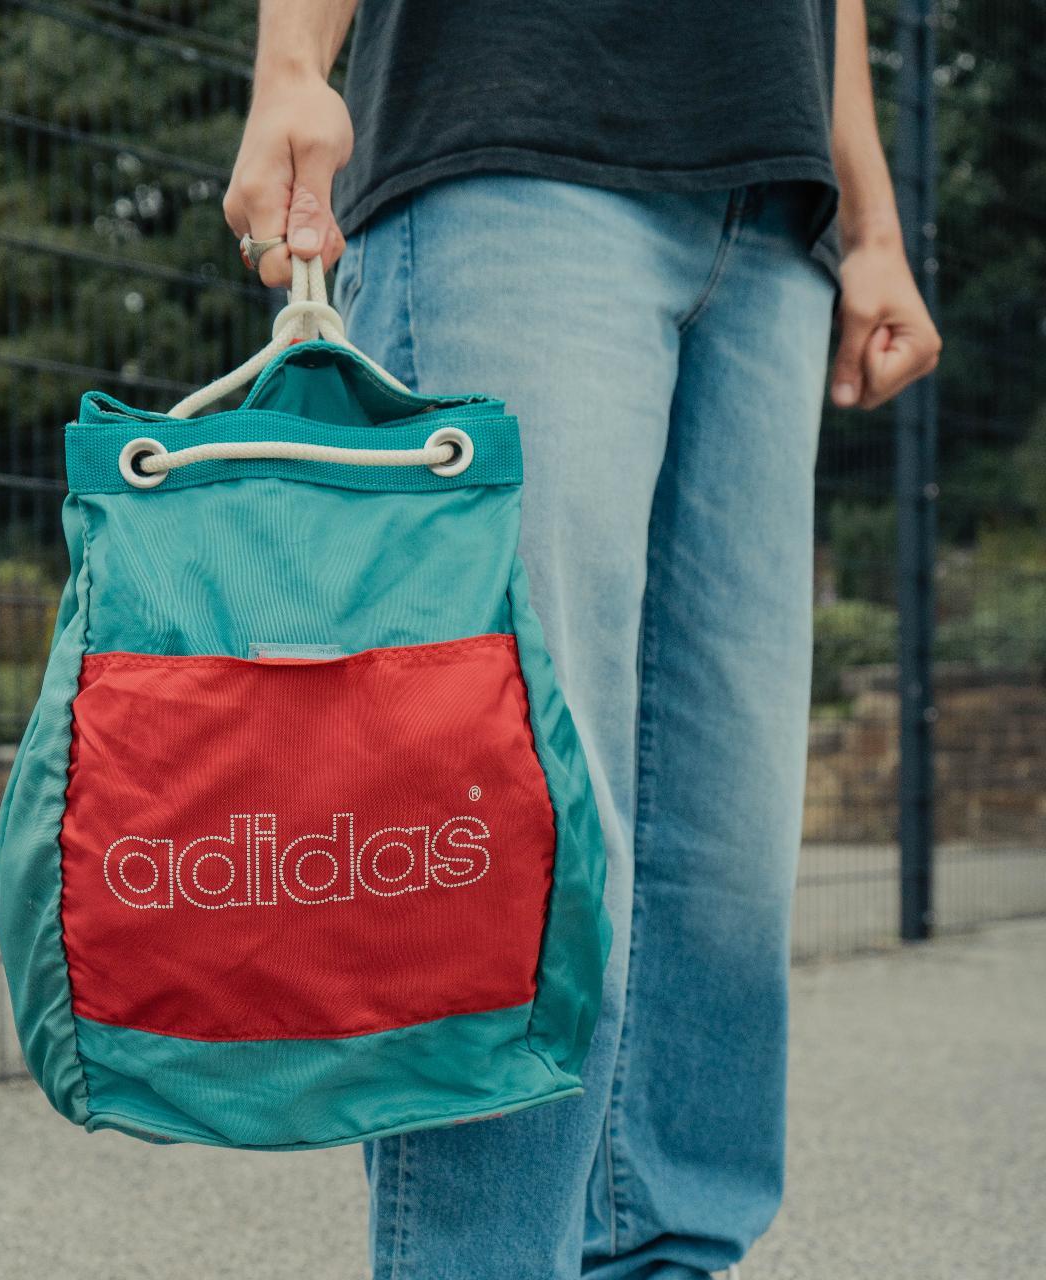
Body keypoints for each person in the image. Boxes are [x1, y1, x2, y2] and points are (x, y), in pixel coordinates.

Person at [222, 2, 941, 1276]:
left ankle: (668, 1256)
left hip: (774, 216)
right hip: (513, 131)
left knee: (723, 854)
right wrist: (290, 66)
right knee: (513, 821)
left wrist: (873, 228)